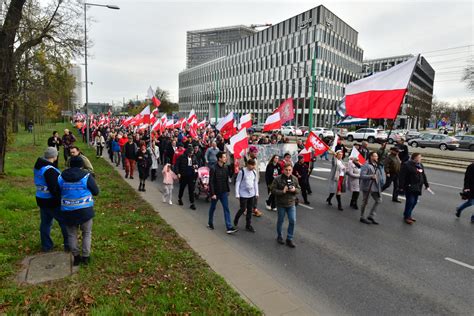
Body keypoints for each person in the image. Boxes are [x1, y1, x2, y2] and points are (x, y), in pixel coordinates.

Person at [58, 156, 99, 266]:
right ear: (82, 165)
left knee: (71, 235)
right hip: (85, 210)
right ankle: (86, 257)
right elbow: (96, 191)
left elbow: (57, 191)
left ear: (70, 164)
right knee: (86, 233)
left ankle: (76, 257)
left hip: (68, 210)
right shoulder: (86, 176)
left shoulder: (61, 176)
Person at [34, 147, 69, 252]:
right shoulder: (49, 170)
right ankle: (68, 245)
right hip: (52, 201)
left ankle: (46, 245)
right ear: (54, 156)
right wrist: (60, 199)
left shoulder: (39, 166)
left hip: (41, 198)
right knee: (64, 222)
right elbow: (54, 188)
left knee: (45, 223)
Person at [271, 162, 300, 248]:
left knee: (292, 220)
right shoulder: (277, 179)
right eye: (286, 170)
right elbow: (272, 190)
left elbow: (299, 189)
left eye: (289, 170)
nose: (288, 172)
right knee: (280, 221)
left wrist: (295, 190)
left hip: (291, 203)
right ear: (283, 170)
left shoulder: (294, 179)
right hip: (281, 204)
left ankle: (289, 238)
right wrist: (282, 191)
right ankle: (279, 236)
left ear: (292, 170)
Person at [208, 151, 237, 234]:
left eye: (225, 157)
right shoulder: (213, 168)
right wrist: (212, 193)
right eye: (224, 157)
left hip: (224, 192)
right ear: (219, 158)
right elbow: (211, 182)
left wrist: (227, 190)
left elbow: (227, 179)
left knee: (226, 209)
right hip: (216, 193)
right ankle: (210, 223)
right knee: (213, 208)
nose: (225, 158)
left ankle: (229, 227)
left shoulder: (226, 168)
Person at [399, 153, 430, 225]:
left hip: (418, 187)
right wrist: (401, 187)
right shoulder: (406, 165)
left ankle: (408, 214)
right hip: (409, 186)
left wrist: (426, 184)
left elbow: (423, 175)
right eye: (419, 157)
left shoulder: (420, 165)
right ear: (414, 158)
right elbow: (401, 176)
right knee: (410, 202)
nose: (420, 158)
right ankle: (407, 216)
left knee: (415, 202)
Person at [233, 158, 259, 232]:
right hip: (243, 194)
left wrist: (257, 193)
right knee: (243, 209)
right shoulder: (242, 172)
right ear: (248, 165)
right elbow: (237, 182)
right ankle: (236, 219)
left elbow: (255, 183)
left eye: (254, 165)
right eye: (252, 165)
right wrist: (237, 194)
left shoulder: (254, 172)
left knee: (250, 210)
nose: (253, 167)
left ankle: (248, 225)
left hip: (252, 194)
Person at [359, 152, 384, 225]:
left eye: (377, 156)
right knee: (365, 202)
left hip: (376, 187)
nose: (377, 158)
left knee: (379, 200)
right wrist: (370, 176)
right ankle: (362, 217)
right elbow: (362, 176)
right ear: (371, 157)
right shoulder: (366, 165)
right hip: (368, 187)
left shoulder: (377, 165)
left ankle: (371, 216)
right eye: (375, 156)